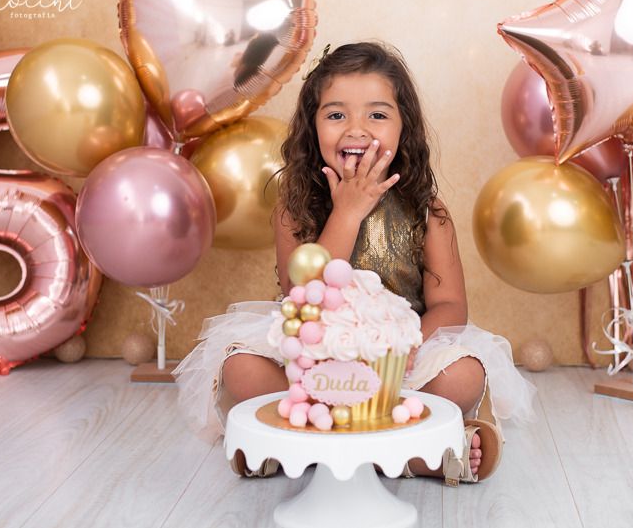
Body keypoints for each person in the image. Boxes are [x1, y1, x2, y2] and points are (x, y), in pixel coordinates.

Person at [174, 41, 536, 485]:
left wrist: (401, 351)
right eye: (336, 114)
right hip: (311, 354)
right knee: (242, 370)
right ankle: (407, 451)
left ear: (405, 128)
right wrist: (346, 213)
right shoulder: (296, 207)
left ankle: (310, 441)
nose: (356, 129)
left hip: (400, 362)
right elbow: (302, 296)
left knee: (462, 376)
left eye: (378, 115)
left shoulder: (426, 210)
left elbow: (450, 306)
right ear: (313, 126)